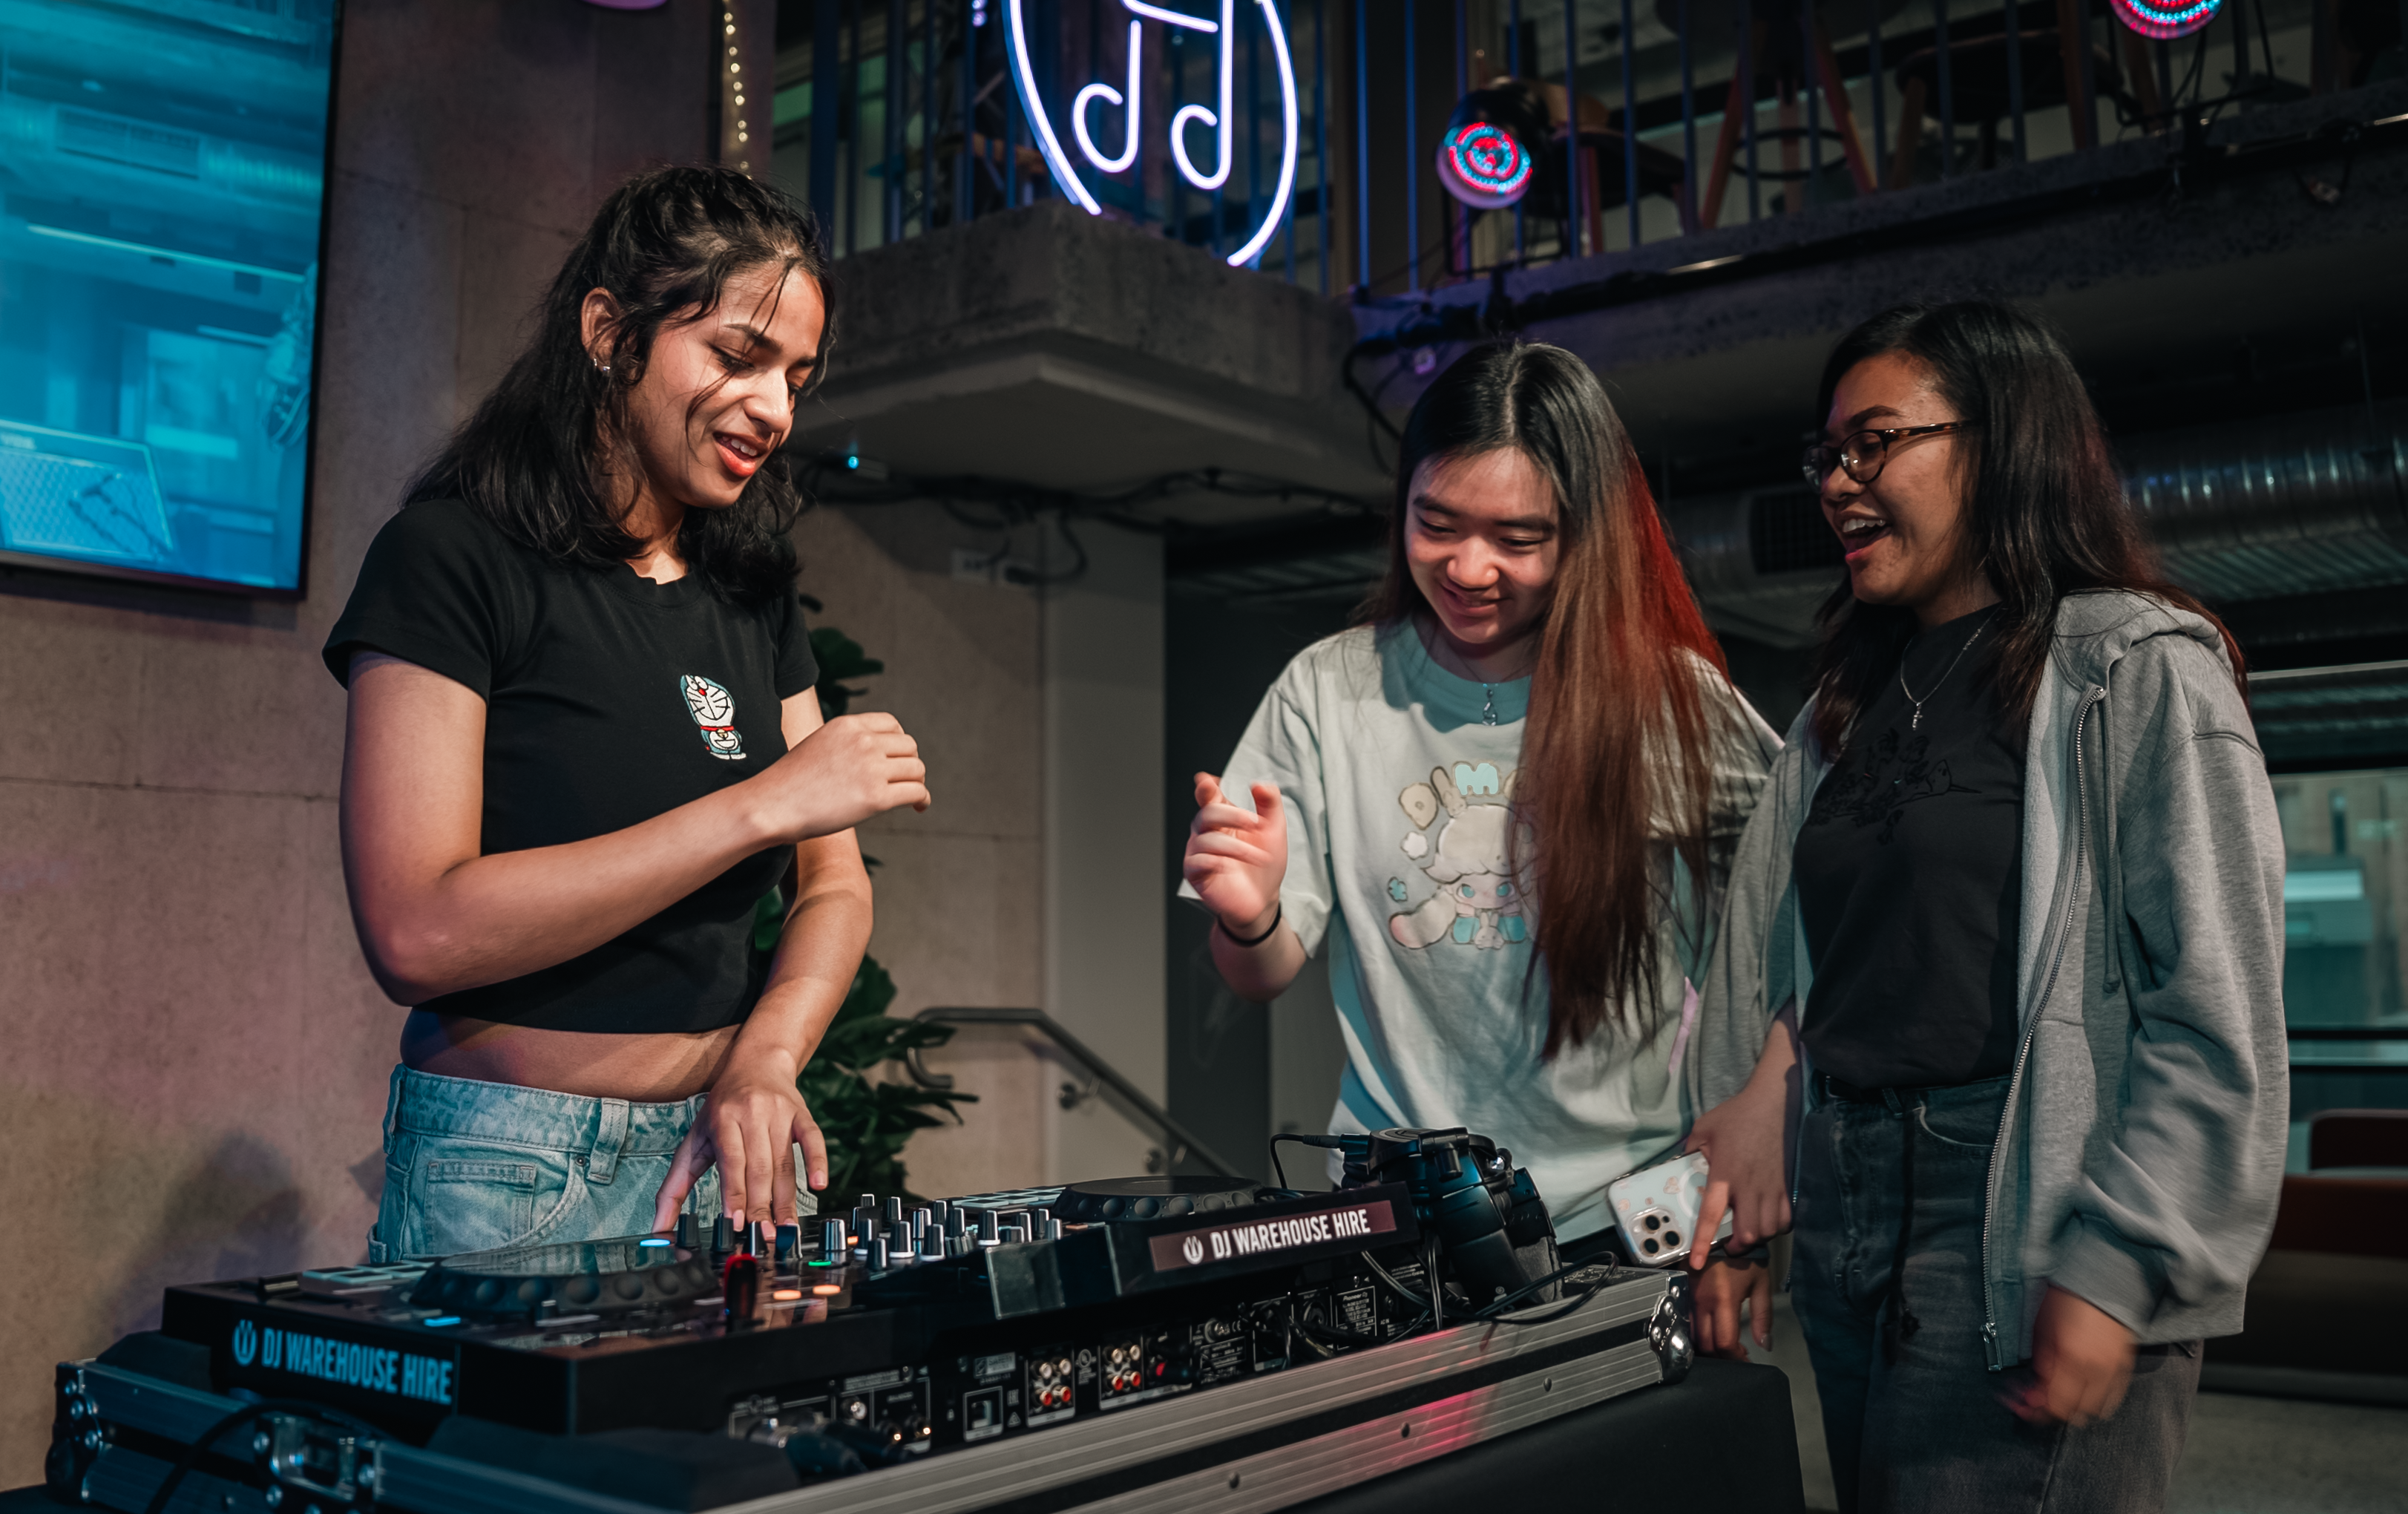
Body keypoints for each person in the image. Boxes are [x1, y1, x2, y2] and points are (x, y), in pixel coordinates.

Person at [1682, 301, 2287, 1513]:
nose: (1839, 484)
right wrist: (1749, 1147)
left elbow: (2215, 1014)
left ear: (2002, 441)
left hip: (2028, 1197)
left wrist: (2126, 1256)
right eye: (1828, 456)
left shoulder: (2137, 667)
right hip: (1854, 1202)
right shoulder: (1842, 707)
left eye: (1875, 444)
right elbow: (1819, 965)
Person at [326, 167, 931, 1262]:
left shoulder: (748, 590)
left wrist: (764, 1060)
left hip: (722, 1156)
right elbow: (416, 932)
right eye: (738, 357)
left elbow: (832, 883)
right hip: (512, 1172)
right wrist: (756, 809)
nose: (776, 409)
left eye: (796, 375)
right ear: (610, 334)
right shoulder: (452, 558)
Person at [1181, 341, 1778, 1244]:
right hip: (1399, 1216)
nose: (1467, 568)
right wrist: (1246, 915)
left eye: (1517, 538)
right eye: (1436, 522)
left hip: (1628, 1216)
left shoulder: (1666, 702)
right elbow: (1258, 974)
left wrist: (1758, 1131)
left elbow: (1801, 941)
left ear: (1583, 534)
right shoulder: (1328, 688)